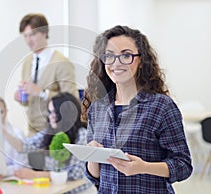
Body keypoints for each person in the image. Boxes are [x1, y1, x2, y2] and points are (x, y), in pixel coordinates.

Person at [81, 25, 193, 193]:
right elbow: (94, 176)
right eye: (109, 56)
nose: (116, 63)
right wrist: (92, 156)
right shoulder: (97, 109)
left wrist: (143, 167)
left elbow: (183, 166)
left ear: (141, 61)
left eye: (126, 55)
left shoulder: (161, 106)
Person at [9, 92, 96, 194]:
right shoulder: (50, 131)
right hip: (57, 190)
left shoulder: (82, 135)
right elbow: (24, 146)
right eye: (50, 112)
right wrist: (2, 128)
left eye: (56, 113)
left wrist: (36, 175)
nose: (51, 117)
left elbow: (74, 174)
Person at [14, 13, 78, 137]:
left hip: (55, 132)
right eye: (25, 36)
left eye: (32, 34)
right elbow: (29, 101)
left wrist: (42, 93)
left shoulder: (61, 62)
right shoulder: (27, 62)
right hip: (32, 131)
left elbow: (71, 101)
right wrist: (22, 98)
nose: (28, 40)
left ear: (44, 33)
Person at [0, 95, 27, 175]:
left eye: (0, 112)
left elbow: (20, 166)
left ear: (6, 112)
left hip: (9, 179)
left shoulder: (17, 133)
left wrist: (1, 171)